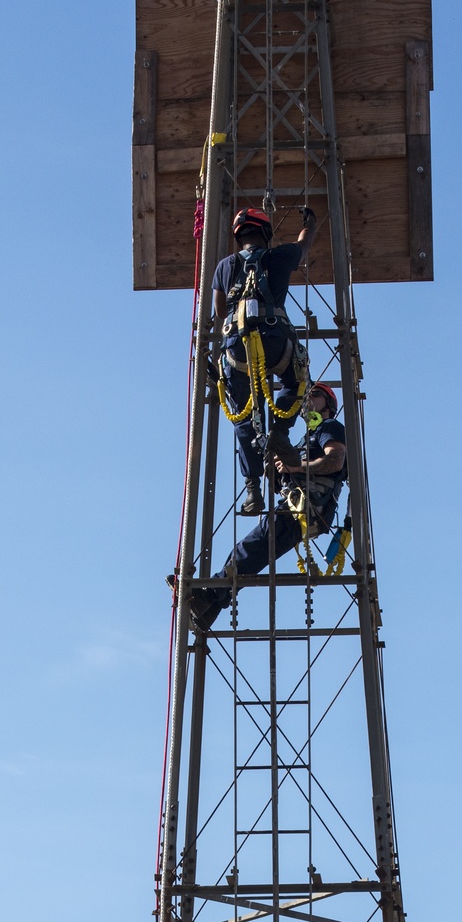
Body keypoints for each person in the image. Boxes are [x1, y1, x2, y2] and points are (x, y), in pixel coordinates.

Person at [190, 383, 347, 633]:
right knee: (256, 552)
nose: (307, 399)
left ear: (328, 405)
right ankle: (209, 608)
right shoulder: (310, 437)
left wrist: (296, 467)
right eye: (305, 395)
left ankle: (206, 599)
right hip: (301, 506)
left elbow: (335, 460)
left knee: (254, 546)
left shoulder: (329, 427)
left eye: (315, 395)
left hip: (308, 507)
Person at [214, 204, 317, 514]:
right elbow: (304, 244)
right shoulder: (281, 255)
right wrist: (310, 222)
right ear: (265, 234)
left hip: (237, 346)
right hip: (275, 341)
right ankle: (279, 432)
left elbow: (220, 313)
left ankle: (252, 490)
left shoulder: (224, 266)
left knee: (244, 417)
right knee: (296, 383)